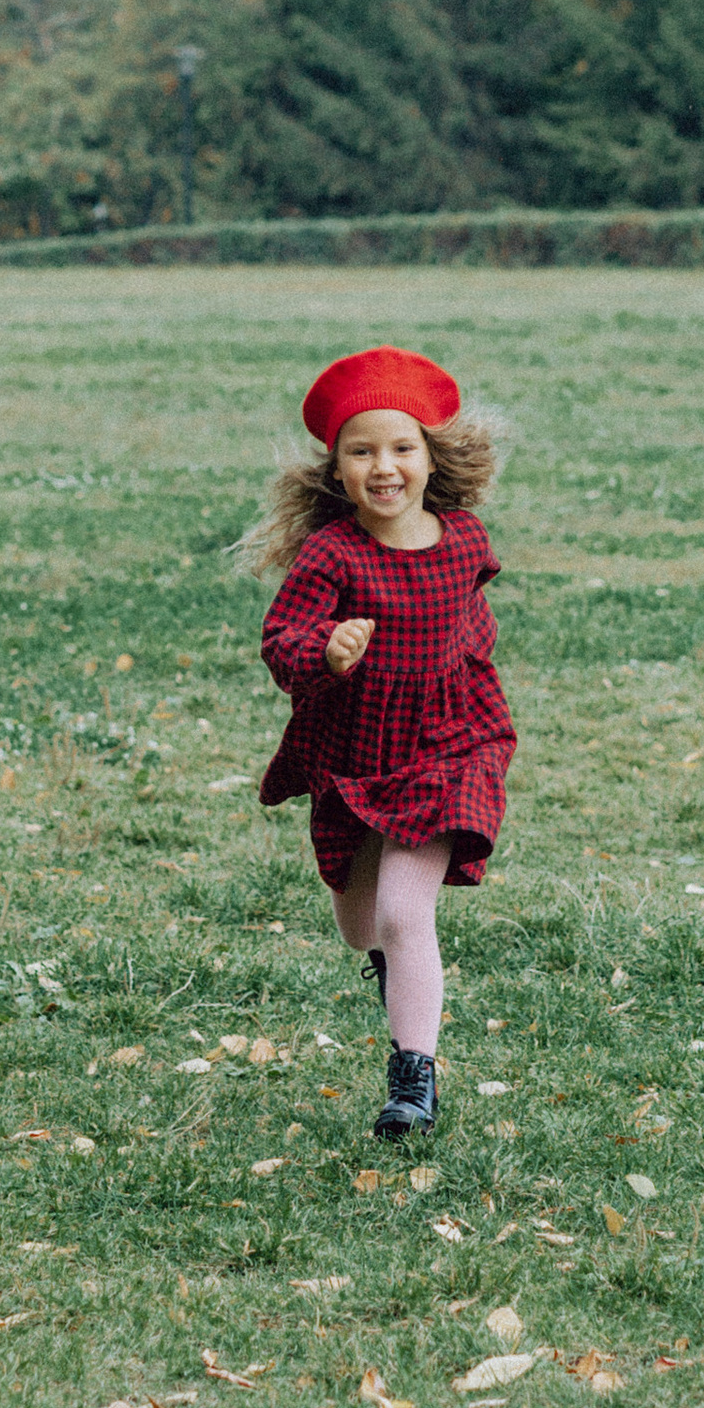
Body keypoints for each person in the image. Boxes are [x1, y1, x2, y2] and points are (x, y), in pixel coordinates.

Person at [241, 345, 513, 1137]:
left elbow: (471, 616)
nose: (384, 466)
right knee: (363, 925)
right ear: (339, 470)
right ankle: (399, 973)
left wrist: (468, 672)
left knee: (404, 908)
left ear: (432, 457)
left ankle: (412, 1084)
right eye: (362, 451)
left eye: (402, 447)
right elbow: (280, 639)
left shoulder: (464, 538)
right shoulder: (334, 554)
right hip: (354, 755)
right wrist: (324, 651)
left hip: (449, 749)